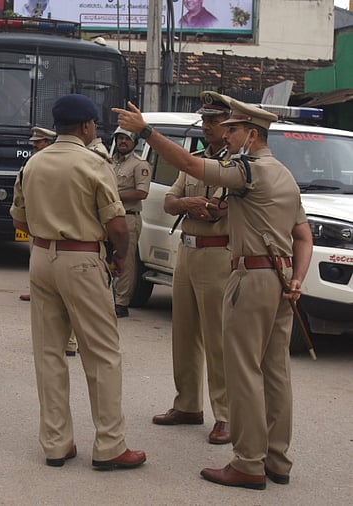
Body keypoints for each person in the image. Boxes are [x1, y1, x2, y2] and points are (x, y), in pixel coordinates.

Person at [114, 100, 312, 489]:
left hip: (251, 276)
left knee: (243, 372)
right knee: (275, 373)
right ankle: (277, 459)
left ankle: (248, 462)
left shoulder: (249, 170)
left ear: (251, 135)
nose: (226, 134)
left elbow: (189, 166)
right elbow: (302, 235)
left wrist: (146, 132)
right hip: (280, 277)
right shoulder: (285, 174)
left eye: (233, 129)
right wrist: (297, 279)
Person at [11, 94, 146, 470]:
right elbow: (117, 225)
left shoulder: (34, 164)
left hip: (41, 257)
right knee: (102, 352)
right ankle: (110, 445)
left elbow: (19, 220)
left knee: (49, 352)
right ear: (87, 126)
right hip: (82, 258)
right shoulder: (94, 163)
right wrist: (119, 256)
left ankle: (56, 443)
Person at [152, 90, 232, 445]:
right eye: (205, 120)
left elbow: (226, 210)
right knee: (183, 334)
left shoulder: (237, 167)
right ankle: (187, 404)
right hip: (187, 252)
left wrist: (207, 207)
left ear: (230, 126)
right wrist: (188, 202)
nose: (207, 126)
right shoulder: (194, 160)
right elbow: (169, 201)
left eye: (214, 121)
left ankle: (226, 414)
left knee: (218, 338)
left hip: (219, 255)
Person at [111, 127, 151, 318]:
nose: (122, 142)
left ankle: (121, 302)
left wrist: (113, 196)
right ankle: (107, 297)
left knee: (126, 260)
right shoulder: (110, 163)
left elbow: (142, 192)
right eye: (119, 138)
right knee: (105, 257)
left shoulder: (139, 165)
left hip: (128, 216)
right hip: (109, 216)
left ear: (135, 142)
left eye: (126, 139)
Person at [17, 126, 56, 303]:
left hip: (52, 219)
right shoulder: (33, 161)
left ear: (48, 143)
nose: (35, 146)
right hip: (36, 217)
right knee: (36, 256)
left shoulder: (55, 163)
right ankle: (37, 291)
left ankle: (51, 293)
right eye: (34, 143)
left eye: (38, 142)